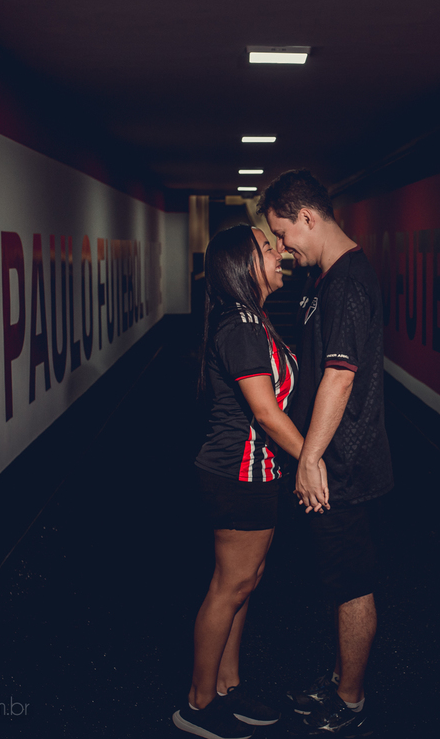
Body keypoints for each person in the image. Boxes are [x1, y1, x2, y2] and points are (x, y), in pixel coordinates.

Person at [257, 170, 394, 737]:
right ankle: (339, 680)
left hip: (344, 466)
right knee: (338, 581)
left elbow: (339, 377)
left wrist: (310, 459)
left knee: (352, 583)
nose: (285, 248)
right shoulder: (326, 281)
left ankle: (352, 699)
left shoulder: (348, 284)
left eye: (285, 234)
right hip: (330, 460)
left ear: (309, 217)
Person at [173, 224, 312, 739]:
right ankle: (198, 704)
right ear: (244, 263)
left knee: (244, 585)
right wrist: (316, 462)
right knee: (228, 587)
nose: (279, 253)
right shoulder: (241, 326)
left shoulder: (252, 319)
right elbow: (268, 414)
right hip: (237, 473)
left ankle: (227, 686)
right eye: (268, 246)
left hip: (255, 471)